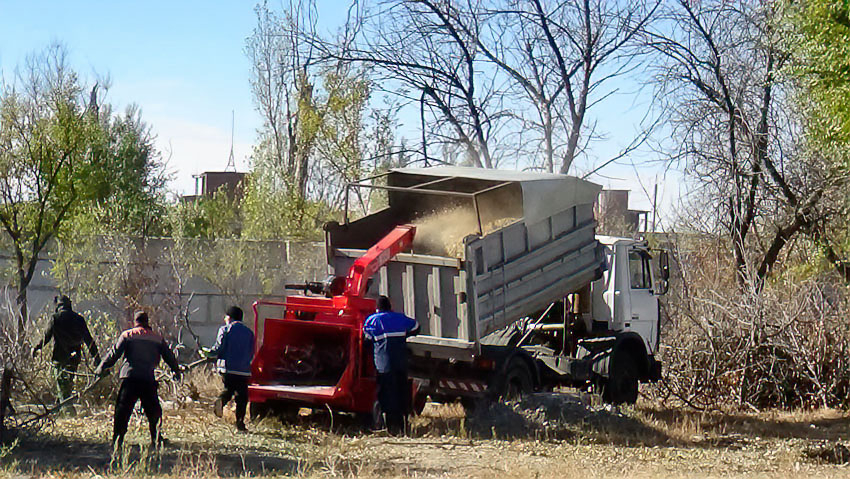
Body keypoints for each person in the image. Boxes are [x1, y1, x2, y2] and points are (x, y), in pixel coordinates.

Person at [95, 310, 181, 451]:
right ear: (147, 322)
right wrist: (175, 370)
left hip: (130, 378)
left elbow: (114, 354)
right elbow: (169, 356)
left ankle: (118, 440)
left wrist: (101, 368)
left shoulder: (127, 335)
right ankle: (156, 439)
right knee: (154, 411)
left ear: (135, 322)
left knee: (122, 411)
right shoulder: (157, 338)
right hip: (147, 379)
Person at [363, 295, 419, 435]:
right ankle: (403, 427)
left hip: (384, 366)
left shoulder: (373, 320)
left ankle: (387, 428)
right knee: (402, 394)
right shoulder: (400, 318)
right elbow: (416, 326)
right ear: (390, 306)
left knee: (386, 395)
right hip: (401, 364)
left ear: (377, 308)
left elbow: (366, 339)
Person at [32, 295, 100, 407]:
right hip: (74, 359)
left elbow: (46, 338)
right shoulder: (79, 319)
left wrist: (36, 348)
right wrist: (97, 359)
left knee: (61, 386)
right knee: (67, 385)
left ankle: (69, 412)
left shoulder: (55, 318)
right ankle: (61, 410)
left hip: (59, 358)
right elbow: (89, 341)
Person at [206, 306, 255, 432]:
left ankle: (221, 401)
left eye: (225, 316)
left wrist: (208, 353)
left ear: (230, 317)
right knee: (242, 397)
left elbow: (219, 348)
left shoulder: (226, 329)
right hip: (244, 369)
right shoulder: (249, 333)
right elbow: (251, 352)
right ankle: (240, 424)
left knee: (229, 389)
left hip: (228, 368)